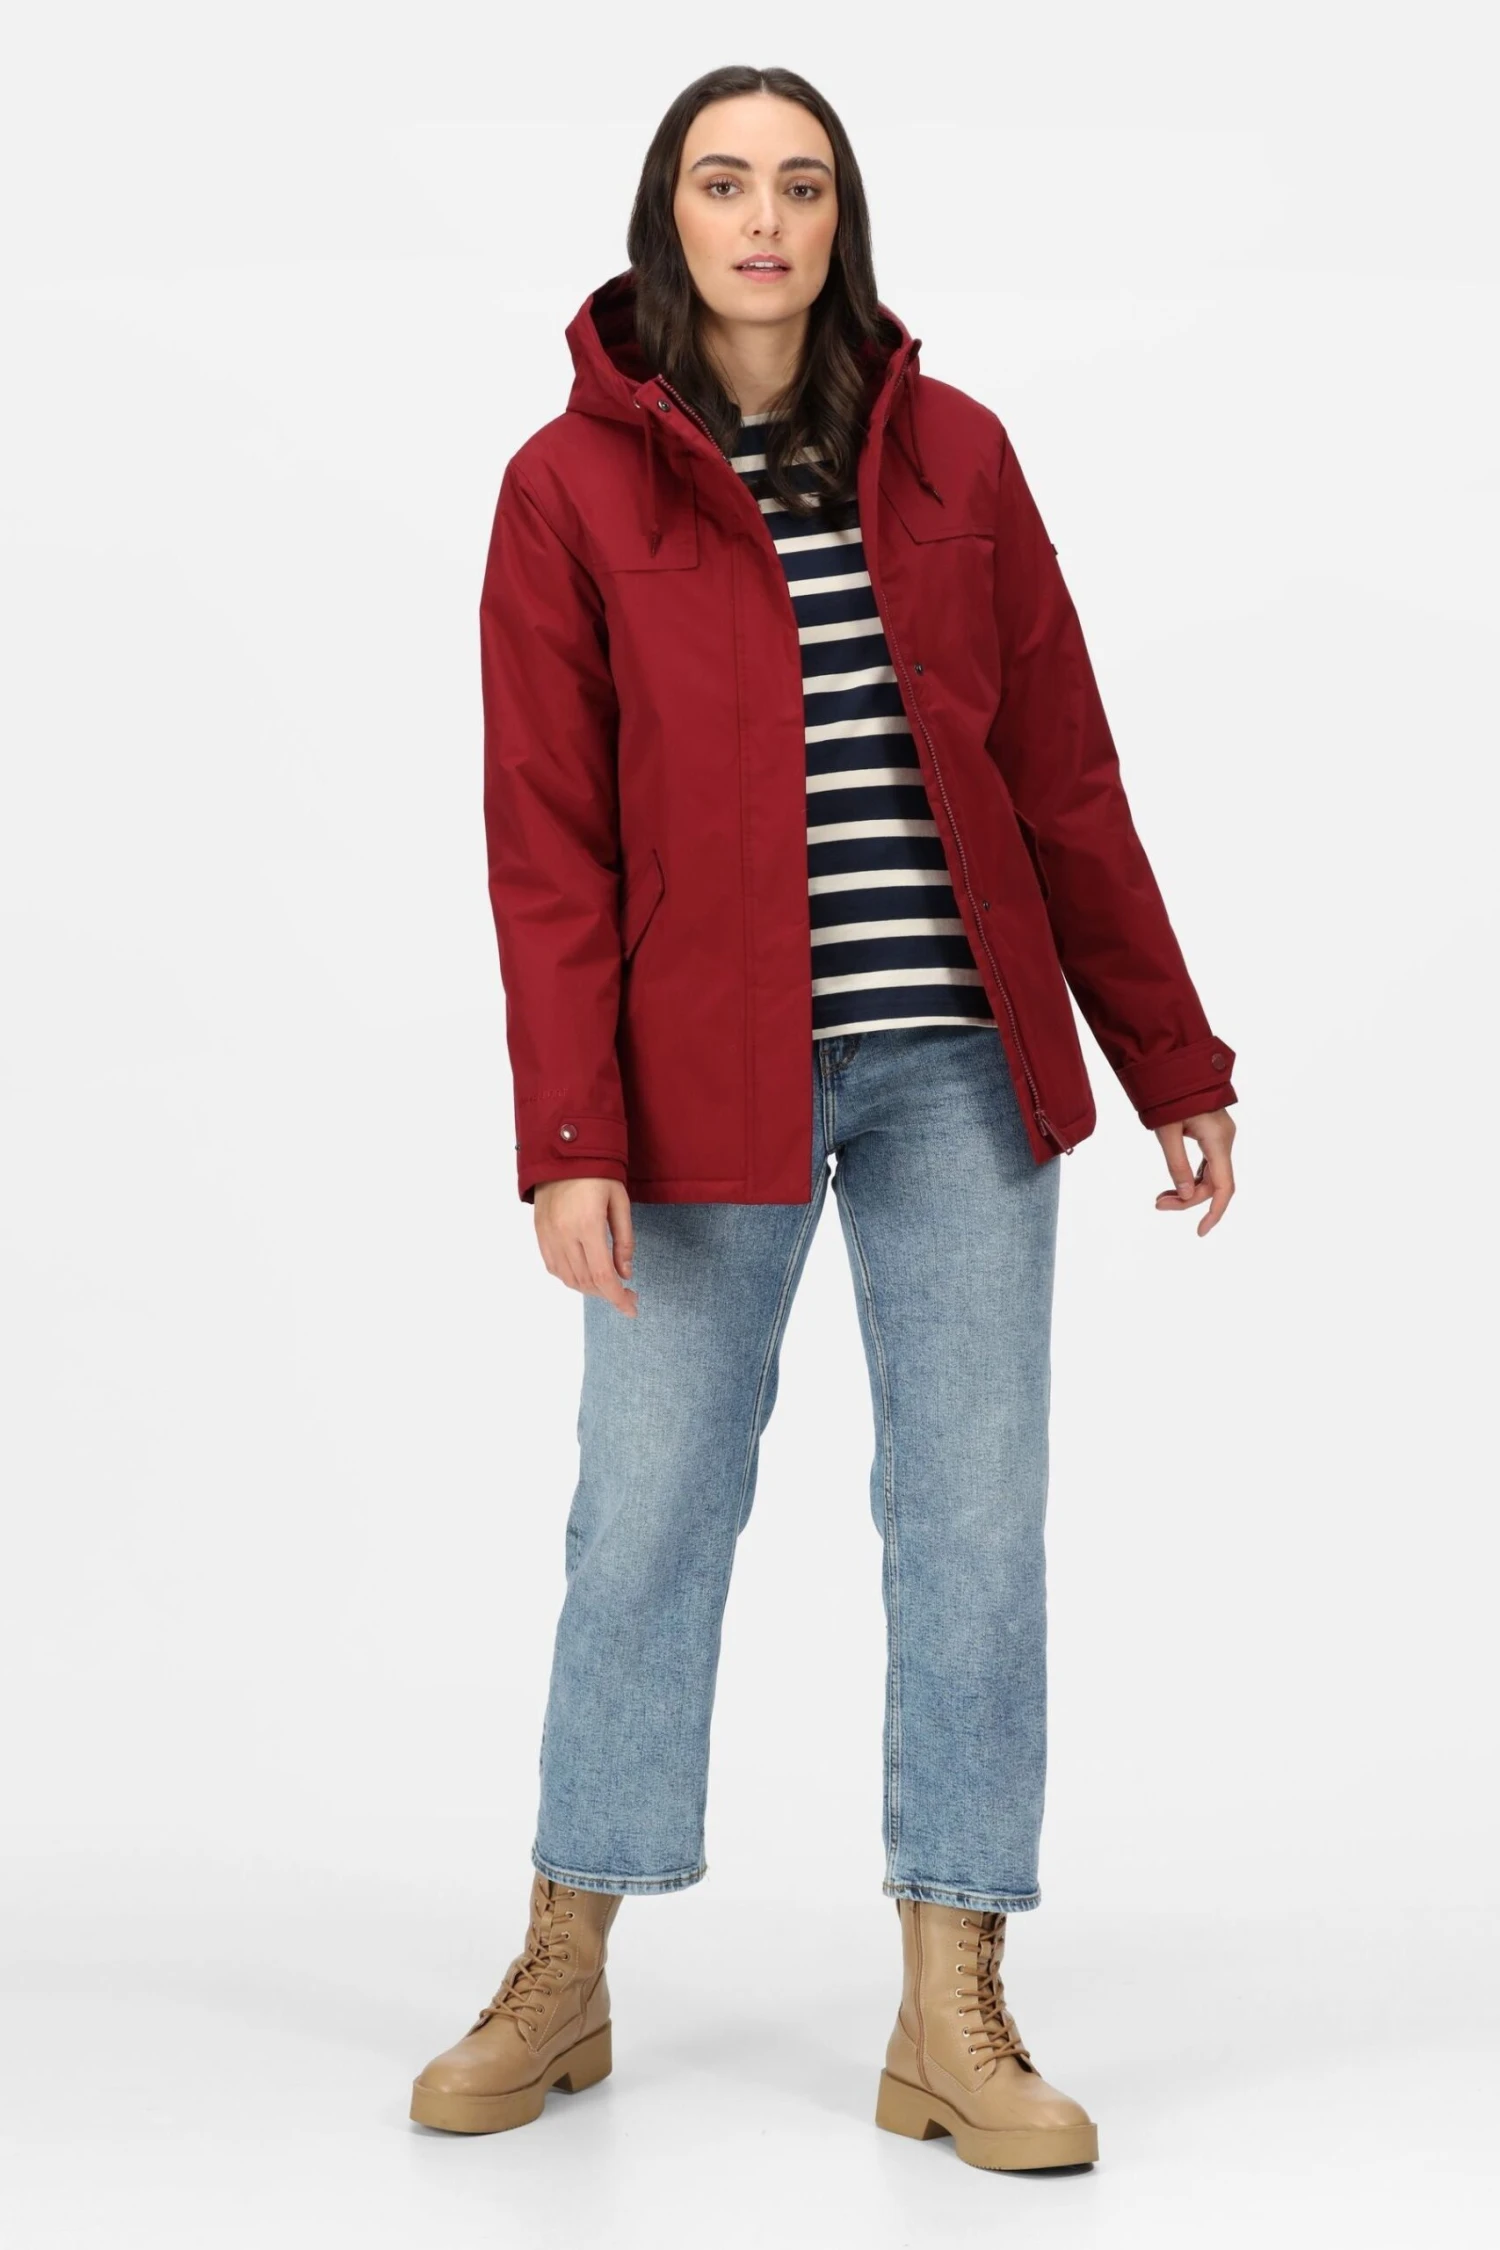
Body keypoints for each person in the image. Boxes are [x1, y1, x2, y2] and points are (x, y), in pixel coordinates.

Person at [409, 64, 1238, 2173]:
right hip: (696, 1084)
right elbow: (545, 837)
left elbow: (1064, 774)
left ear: (840, 218)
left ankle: (954, 2001)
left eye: (800, 184)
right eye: (725, 183)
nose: (763, 218)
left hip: (960, 1061)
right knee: (648, 1512)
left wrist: (1174, 1061)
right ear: (668, 214)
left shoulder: (958, 457)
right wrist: (569, 1132)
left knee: (973, 1525)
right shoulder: (566, 489)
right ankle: (566, 1957)